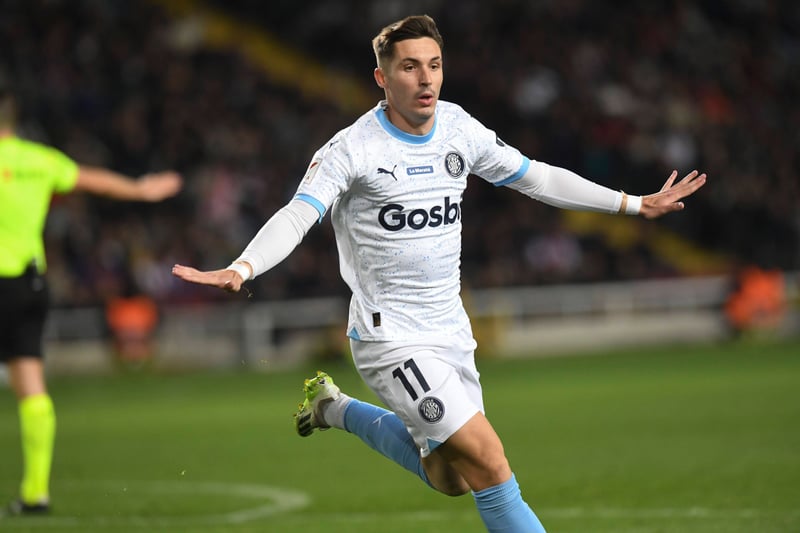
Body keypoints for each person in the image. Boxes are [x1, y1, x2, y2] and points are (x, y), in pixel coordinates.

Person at [172, 15, 706, 532]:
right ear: (382, 78)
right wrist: (244, 265)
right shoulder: (352, 148)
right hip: (390, 337)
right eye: (409, 67)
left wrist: (633, 203)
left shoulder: (457, 128)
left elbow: (536, 177)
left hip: (450, 329)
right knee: (491, 462)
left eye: (434, 65)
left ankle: (334, 409)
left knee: (453, 478)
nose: (425, 78)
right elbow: (299, 213)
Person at [0, 77, 182, 515]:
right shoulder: (39, 159)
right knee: (31, 385)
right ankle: (35, 494)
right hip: (29, 283)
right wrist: (140, 188)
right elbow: (90, 179)